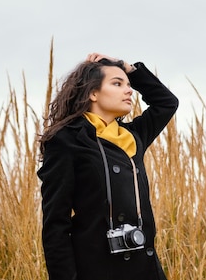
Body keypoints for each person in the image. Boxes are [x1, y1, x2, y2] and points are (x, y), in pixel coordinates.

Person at [38, 52, 179, 280]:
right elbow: (55, 224)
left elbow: (167, 103)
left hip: (145, 268)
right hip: (96, 269)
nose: (129, 90)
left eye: (128, 84)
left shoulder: (133, 136)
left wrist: (127, 67)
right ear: (93, 93)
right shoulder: (67, 140)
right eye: (117, 83)